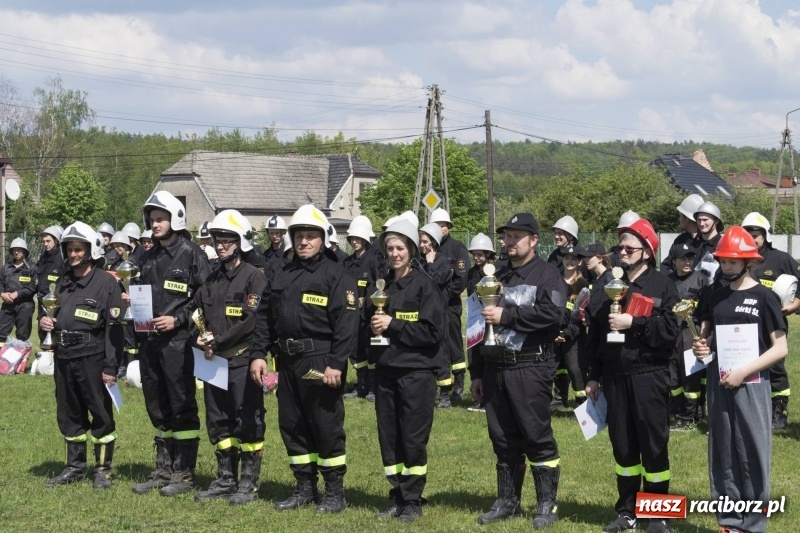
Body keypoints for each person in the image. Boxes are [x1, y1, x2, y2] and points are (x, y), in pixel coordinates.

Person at [249, 204, 358, 514]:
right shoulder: (281, 272)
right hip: (287, 360)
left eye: (311, 236)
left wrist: (336, 363)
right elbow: (264, 318)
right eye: (299, 236)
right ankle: (305, 487)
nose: (304, 242)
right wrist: (258, 354)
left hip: (320, 359)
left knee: (325, 425)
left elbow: (347, 324)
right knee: (292, 425)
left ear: (322, 239)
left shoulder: (336, 275)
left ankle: (335, 491)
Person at [470, 213, 566, 529]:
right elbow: (478, 325)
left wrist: (507, 315)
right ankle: (508, 501)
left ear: (534, 240)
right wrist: (477, 373)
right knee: (503, 438)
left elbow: (553, 317)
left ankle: (546, 505)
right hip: (495, 368)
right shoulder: (494, 276)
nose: (509, 242)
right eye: (507, 236)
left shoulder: (548, 274)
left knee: (536, 436)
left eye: (517, 236)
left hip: (531, 366)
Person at [585, 218, 680, 533]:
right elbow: (596, 334)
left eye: (630, 247)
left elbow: (670, 331)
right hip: (615, 377)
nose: (622, 251)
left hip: (649, 375)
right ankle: (627, 512)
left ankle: (657, 515)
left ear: (648, 252)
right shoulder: (607, 283)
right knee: (624, 449)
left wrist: (634, 323)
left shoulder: (662, 284)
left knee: (654, 447)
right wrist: (594, 375)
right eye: (620, 246)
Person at [693, 226, 787, 533]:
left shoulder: (765, 297)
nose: (727, 265)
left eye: (734, 260)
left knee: (753, 453)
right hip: (719, 381)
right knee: (722, 450)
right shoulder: (715, 296)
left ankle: (754, 524)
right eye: (723, 260)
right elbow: (707, 339)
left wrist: (743, 372)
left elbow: (780, 348)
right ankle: (729, 521)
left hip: (751, 384)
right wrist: (702, 346)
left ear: (749, 262)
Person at [131, 191, 212, 497]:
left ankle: (184, 471)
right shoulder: (148, 256)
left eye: (160, 219)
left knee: (181, 403)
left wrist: (178, 320)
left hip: (179, 341)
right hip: (150, 341)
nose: (155, 224)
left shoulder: (192, 254)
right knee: (156, 403)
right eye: (152, 220)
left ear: (175, 219)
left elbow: (204, 297)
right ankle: (163, 467)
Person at [367, 219, 445, 522]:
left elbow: (432, 333)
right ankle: (397, 495)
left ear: (411, 250)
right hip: (386, 371)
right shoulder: (382, 285)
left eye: (400, 248)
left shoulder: (425, 285)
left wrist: (393, 325)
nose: (394, 253)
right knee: (390, 438)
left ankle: (413, 499)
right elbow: (371, 323)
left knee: (413, 438)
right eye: (390, 248)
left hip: (416, 374)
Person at [192, 210, 268, 505]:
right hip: (213, 361)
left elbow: (251, 321)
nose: (220, 245)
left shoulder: (254, 278)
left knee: (247, 419)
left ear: (240, 243)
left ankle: (249, 482)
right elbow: (196, 312)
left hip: (241, 360)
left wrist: (218, 340)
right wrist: (196, 337)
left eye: (226, 241)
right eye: (217, 240)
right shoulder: (211, 278)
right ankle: (226, 477)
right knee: (218, 420)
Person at [41, 221, 123, 490]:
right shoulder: (63, 282)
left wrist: (111, 367)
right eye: (69, 249)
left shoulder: (107, 283)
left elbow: (114, 329)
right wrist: (45, 324)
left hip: (93, 357)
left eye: (78, 249)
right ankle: (74, 467)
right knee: (69, 412)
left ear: (91, 250)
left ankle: (102, 470)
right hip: (64, 357)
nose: (73, 254)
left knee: (100, 412)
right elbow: (51, 314)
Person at [741, 211, 800, 430]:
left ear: (765, 235)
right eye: (747, 233)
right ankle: (753, 409)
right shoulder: (740, 259)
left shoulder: (781, 259)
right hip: (745, 324)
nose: (752, 237)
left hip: (773, 324)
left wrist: (795, 304)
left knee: (775, 368)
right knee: (748, 366)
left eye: (756, 233)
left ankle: (779, 411)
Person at [429, 208, 470, 408]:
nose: (440, 228)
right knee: (438, 345)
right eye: (436, 225)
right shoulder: (428, 248)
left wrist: (443, 296)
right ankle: (440, 384)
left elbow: (461, 279)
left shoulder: (457, 248)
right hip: (432, 307)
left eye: (443, 225)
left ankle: (459, 385)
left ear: (449, 227)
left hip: (450, 306)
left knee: (453, 344)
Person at [666, 242, 707, 431]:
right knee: (673, 376)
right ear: (674, 261)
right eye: (683, 258)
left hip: (691, 333)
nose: (687, 262)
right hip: (670, 333)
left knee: (690, 375)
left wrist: (702, 334)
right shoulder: (667, 281)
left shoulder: (701, 280)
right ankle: (679, 412)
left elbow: (707, 311)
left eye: (690, 258)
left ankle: (691, 416)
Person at [342, 215, 380, 402]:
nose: (354, 242)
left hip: (369, 313)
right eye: (352, 238)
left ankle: (373, 387)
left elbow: (379, 286)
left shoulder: (374, 260)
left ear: (366, 239)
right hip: (351, 315)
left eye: (358, 238)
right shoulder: (347, 263)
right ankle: (361, 385)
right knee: (355, 351)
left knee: (371, 350)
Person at [553, 244, 590, 408]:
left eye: (573, 259)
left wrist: (567, 332)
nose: (569, 262)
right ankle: (560, 398)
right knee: (556, 366)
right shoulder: (554, 280)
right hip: (554, 332)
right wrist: (554, 331)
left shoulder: (583, 285)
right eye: (567, 258)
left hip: (574, 334)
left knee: (575, 369)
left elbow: (581, 315)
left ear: (579, 262)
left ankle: (582, 402)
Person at [466, 233, 497, 413]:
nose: (477, 258)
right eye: (474, 254)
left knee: (489, 357)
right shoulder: (471, 273)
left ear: (488, 254)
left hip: (490, 321)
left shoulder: (495, 271)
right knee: (474, 357)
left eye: (480, 254)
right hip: (474, 320)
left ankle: (490, 398)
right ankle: (479, 397)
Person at [0, 237, 37, 345]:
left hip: (25, 305)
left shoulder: (32, 268)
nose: (16, 252)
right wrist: (2, 294)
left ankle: (20, 359)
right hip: (8, 304)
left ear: (25, 251)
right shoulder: (6, 268)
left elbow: (33, 287)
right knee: (1, 332)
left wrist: (18, 293)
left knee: (22, 335)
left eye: (19, 249)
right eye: (14, 249)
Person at [660, 194, 703, 276]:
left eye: (680, 216)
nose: (679, 219)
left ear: (687, 219)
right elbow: (666, 266)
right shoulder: (680, 240)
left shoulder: (706, 243)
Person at [36, 225, 64, 347]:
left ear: (56, 241)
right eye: (43, 242)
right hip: (42, 301)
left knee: (52, 332)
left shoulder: (61, 258)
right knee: (42, 332)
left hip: (55, 302)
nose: (45, 244)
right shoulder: (43, 257)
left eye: (48, 241)